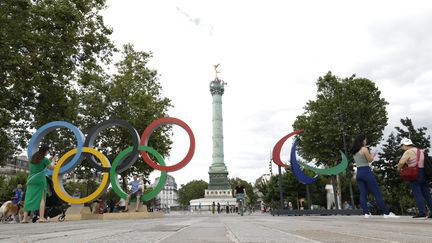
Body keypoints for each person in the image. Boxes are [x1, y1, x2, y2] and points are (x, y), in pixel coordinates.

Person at [350, 134, 399, 219]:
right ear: (362, 140)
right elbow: (369, 160)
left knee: (363, 193)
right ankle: (386, 213)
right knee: (377, 193)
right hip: (366, 172)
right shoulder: (364, 149)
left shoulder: (354, 151)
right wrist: (373, 155)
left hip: (359, 173)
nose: (366, 141)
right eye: (365, 140)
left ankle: (366, 213)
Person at [397, 138, 432, 218]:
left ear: (405, 145)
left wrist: (399, 169)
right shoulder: (420, 151)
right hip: (424, 173)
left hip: (415, 174)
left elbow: (401, 162)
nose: (402, 148)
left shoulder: (408, 152)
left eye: (402, 146)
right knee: (427, 194)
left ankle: (422, 212)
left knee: (417, 193)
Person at [22, 144, 56, 223]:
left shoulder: (32, 158)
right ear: (46, 151)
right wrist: (53, 161)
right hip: (40, 179)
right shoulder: (44, 159)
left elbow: (39, 165)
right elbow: (52, 168)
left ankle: (24, 219)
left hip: (31, 179)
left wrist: (49, 160)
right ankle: (41, 217)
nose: (48, 153)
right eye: (48, 151)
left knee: (28, 197)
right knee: (41, 198)